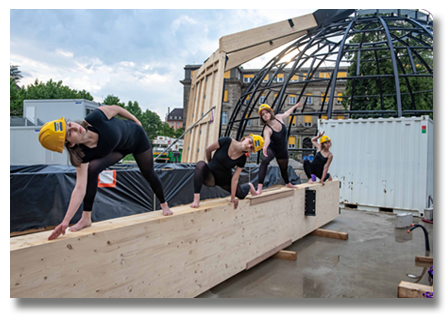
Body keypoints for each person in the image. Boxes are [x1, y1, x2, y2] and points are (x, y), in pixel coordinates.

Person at [38, 105, 173, 240]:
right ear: (70, 144)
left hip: (137, 138)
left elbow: (117, 109)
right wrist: (65, 222)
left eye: (69, 124)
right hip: (119, 149)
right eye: (69, 133)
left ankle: (164, 204)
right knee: (92, 169)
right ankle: (86, 218)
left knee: (148, 172)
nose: (74, 127)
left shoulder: (95, 118)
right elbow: (79, 188)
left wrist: (135, 120)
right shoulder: (83, 155)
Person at [190, 134, 264, 209]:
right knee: (200, 165)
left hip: (224, 179)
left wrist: (233, 198)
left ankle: (249, 186)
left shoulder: (242, 158)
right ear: (245, 138)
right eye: (250, 142)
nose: (248, 146)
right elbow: (208, 150)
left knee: (241, 195)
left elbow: (235, 178)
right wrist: (210, 164)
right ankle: (196, 199)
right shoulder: (226, 141)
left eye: (251, 148)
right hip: (211, 176)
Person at [256, 101, 303, 195]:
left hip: (282, 150)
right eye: (263, 114)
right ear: (262, 118)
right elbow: (267, 139)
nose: (265, 115)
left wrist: (295, 106)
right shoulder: (267, 129)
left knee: (284, 168)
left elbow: (287, 113)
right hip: (272, 149)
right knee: (264, 161)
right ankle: (259, 188)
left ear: (270, 112)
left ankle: (288, 183)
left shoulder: (278, 117)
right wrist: (265, 147)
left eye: (266, 112)